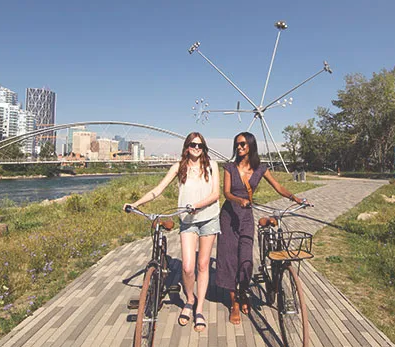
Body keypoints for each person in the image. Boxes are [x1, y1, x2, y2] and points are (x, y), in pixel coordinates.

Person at [124, 132, 219, 332]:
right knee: (187, 267)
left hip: (209, 218)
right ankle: (189, 300)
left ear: (204, 148)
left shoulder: (212, 165)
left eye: (200, 145)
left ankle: (199, 308)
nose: (196, 148)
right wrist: (136, 204)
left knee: (203, 265)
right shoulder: (179, 167)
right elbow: (158, 190)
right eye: (193, 145)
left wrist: (197, 205)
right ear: (186, 146)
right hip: (187, 221)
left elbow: (216, 194)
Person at [216, 132, 305, 325]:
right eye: (237, 144)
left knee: (246, 260)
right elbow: (226, 192)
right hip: (229, 216)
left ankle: (243, 292)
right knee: (230, 259)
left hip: (246, 217)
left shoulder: (260, 168)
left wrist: (295, 198)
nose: (239, 147)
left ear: (251, 146)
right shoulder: (229, 167)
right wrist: (239, 200)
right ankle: (234, 303)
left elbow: (278, 187)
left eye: (243, 144)